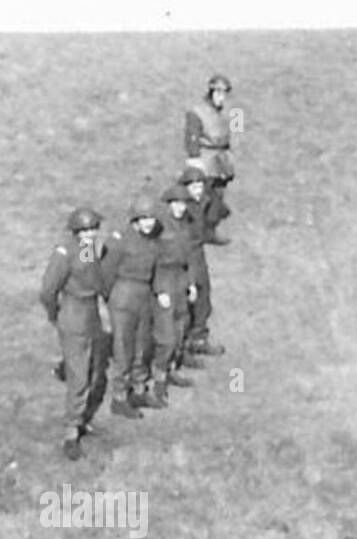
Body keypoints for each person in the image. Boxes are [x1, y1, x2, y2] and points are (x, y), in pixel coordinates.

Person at [40, 206, 110, 460]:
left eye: (94, 229)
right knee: (79, 376)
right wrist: (55, 314)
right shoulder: (64, 253)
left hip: (90, 314)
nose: (91, 234)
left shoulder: (88, 249)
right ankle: (71, 432)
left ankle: (82, 419)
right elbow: (48, 290)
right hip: (72, 314)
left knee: (92, 370)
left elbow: (94, 278)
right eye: (85, 231)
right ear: (76, 232)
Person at [102, 195, 163, 417]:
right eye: (144, 218)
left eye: (152, 218)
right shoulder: (119, 239)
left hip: (144, 294)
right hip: (123, 294)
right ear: (135, 219)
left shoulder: (153, 239)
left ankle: (138, 388)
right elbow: (106, 271)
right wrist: (112, 298)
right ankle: (119, 397)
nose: (150, 223)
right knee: (123, 347)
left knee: (142, 344)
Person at [146, 183, 200, 405]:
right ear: (169, 204)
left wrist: (191, 283)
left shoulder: (185, 225)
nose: (180, 208)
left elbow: (189, 256)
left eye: (184, 204)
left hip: (180, 278)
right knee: (166, 336)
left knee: (180, 327)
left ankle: (171, 369)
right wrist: (159, 290)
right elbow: (151, 259)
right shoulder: (159, 227)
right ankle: (158, 381)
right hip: (165, 279)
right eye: (176, 203)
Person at [179, 163, 225, 355]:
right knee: (189, 296)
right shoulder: (182, 208)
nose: (198, 190)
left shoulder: (204, 201)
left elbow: (216, 213)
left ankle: (198, 337)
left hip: (197, 252)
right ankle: (183, 343)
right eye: (194, 186)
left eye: (200, 186)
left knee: (203, 295)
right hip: (185, 255)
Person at [184, 73, 234, 239]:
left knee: (218, 195)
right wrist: (194, 158)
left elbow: (237, 133)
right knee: (202, 196)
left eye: (225, 94)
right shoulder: (197, 112)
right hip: (206, 157)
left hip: (223, 157)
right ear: (211, 92)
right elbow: (192, 136)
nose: (222, 98)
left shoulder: (234, 110)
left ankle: (211, 229)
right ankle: (194, 230)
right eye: (218, 93)